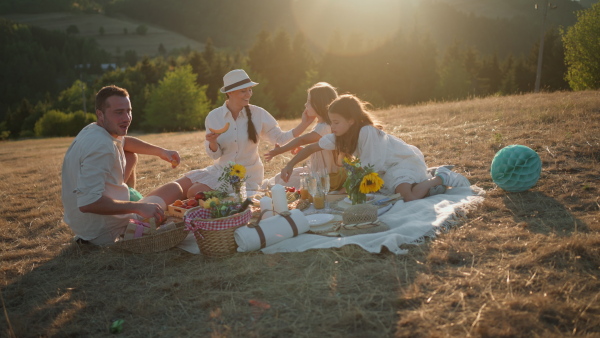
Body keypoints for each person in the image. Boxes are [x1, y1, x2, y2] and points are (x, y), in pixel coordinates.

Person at [279, 94, 470, 202]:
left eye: (336, 122)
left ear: (351, 121)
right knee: (392, 196)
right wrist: (290, 165)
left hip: (401, 162)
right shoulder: (340, 136)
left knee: (408, 198)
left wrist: (350, 188)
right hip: (381, 170)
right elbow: (312, 148)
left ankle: (440, 177)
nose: (333, 127)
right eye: (332, 122)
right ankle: (428, 185)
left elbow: (372, 168)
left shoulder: (366, 132)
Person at [61, 85, 184, 245]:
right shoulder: (101, 146)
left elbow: (125, 142)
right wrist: (137, 208)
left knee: (130, 155)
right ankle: (132, 218)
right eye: (119, 112)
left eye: (129, 111)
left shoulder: (93, 129)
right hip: (103, 230)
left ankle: (130, 198)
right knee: (175, 189)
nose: (126, 118)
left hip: (83, 225)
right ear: (100, 114)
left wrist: (162, 152)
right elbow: (88, 203)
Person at [176, 69, 315, 198]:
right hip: (221, 171)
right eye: (243, 91)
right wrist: (212, 143)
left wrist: (304, 124)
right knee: (183, 190)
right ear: (230, 92)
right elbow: (215, 155)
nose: (249, 94)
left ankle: (234, 202)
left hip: (247, 176)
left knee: (194, 193)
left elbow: (280, 138)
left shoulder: (258, 114)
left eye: (250, 90)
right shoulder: (214, 117)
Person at [264, 82, 346, 190]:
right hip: (316, 170)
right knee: (278, 179)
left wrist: (279, 151)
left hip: (326, 175)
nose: (305, 105)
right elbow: (320, 148)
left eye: (309, 102)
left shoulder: (325, 126)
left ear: (319, 104)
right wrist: (302, 148)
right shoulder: (322, 125)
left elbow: (302, 140)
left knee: (281, 184)